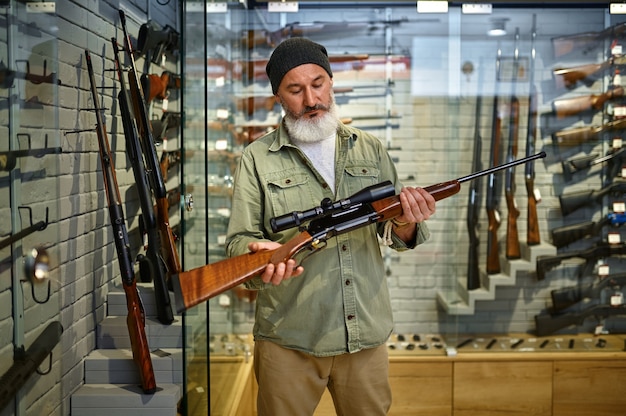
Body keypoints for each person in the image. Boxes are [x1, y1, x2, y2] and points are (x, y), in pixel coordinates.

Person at [225, 37, 436, 416]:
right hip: (289, 340)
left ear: (332, 83)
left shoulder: (369, 149)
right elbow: (239, 244)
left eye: (318, 83)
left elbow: (394, 232)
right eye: (295, 89)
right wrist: (258, 255)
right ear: (279, 97)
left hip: (365, 338)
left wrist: (406, 220)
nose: (311, 99)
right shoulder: (256, 159)